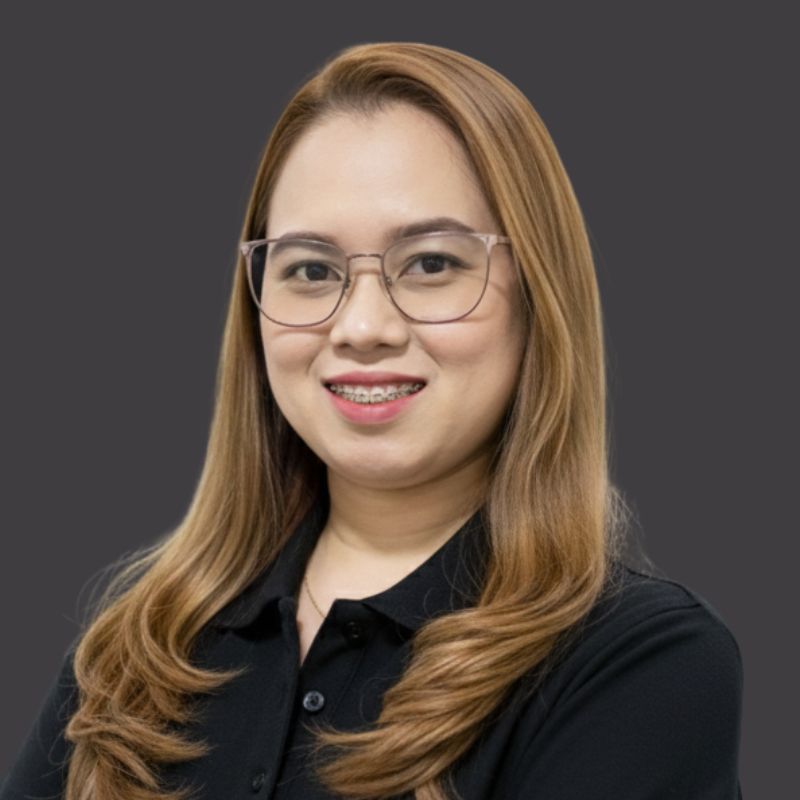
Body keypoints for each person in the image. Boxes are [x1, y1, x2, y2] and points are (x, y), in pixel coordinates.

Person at [1, 42, 743, 800]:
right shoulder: (137, 654)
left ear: (538, 295)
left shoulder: (641, 664)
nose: (361, 327)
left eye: (431, 263)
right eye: (311, 270)